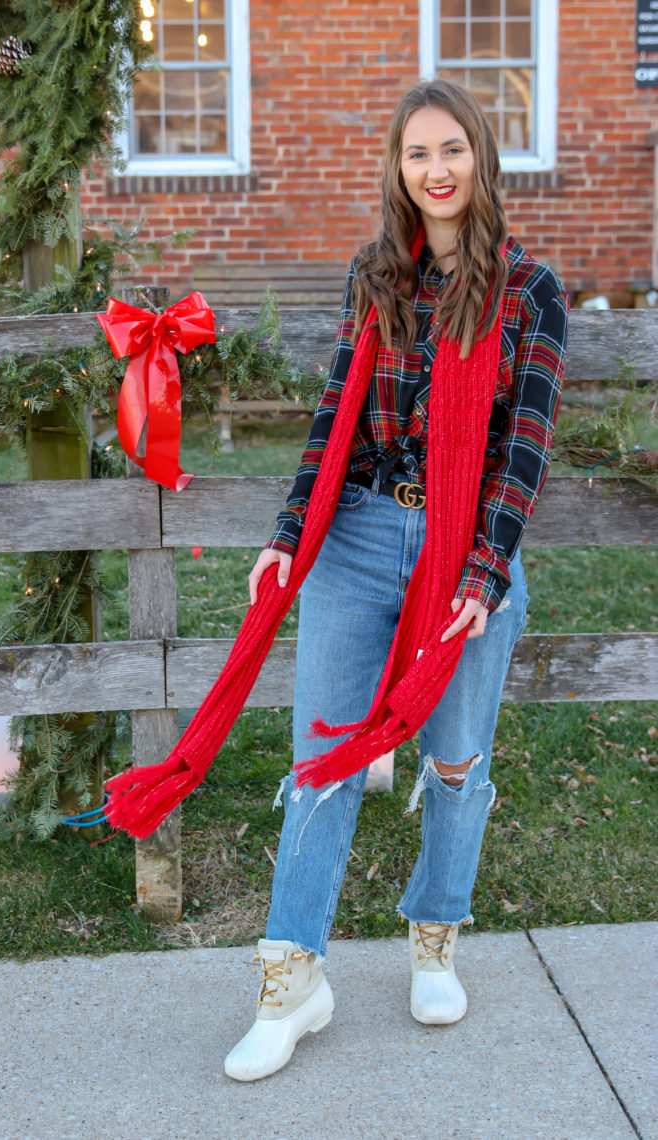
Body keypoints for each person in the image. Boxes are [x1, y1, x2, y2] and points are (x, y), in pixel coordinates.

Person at [223, 78, 569, 1082]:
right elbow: (334, 417)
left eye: (452, 149)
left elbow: (526, 447)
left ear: (481, 157)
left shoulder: (529, 289)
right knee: (323, 758)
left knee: (455, 760)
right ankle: (294, 979)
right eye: (418, 154)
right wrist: (291, 532)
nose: (437, 170)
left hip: (469, 551)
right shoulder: (375, 275)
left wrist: (485, 565)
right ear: (398, 168)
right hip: (363, 539)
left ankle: (435, 933)